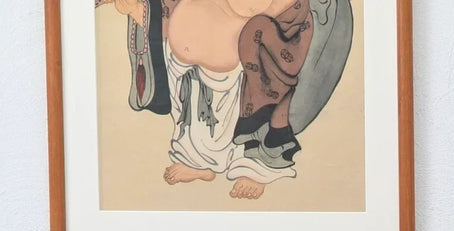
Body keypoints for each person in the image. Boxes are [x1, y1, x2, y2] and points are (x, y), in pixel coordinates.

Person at [98, 0, 353, 200]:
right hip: (187, 59)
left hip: (253, 44)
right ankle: (198, 161)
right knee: (190, 103)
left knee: (239, 99)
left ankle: (254, 167)